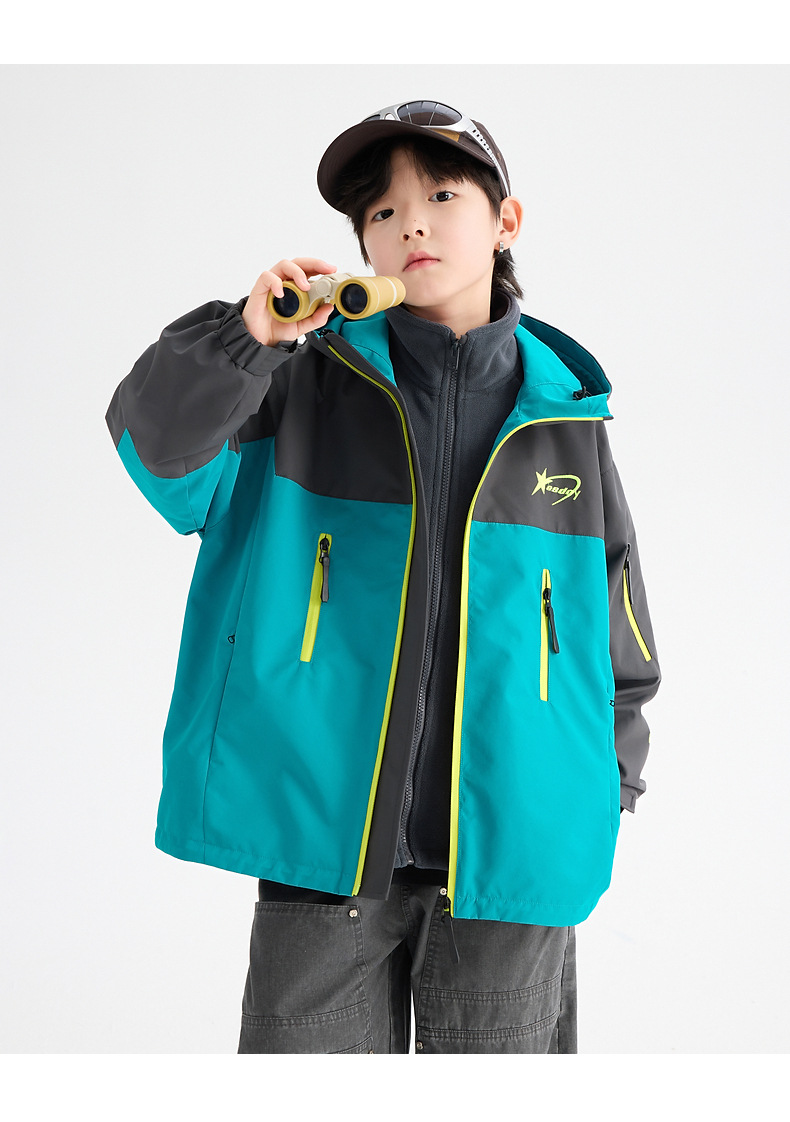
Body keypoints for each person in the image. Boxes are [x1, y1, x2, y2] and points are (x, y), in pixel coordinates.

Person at [105, 99, 661, 1054]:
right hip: (321, 850)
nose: (411, 224)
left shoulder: (565, 418)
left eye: (442, 196)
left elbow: (618, 624)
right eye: (382, 211)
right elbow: (160, 457)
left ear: (505, 221)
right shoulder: (292, 388)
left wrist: (607, 783)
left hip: (514, 855)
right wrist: (246, 340)